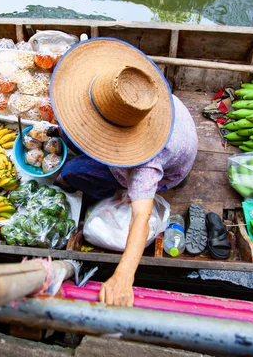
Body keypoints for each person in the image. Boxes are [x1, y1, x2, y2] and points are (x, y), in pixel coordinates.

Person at [49, 38, 198, 307]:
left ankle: (91, 184)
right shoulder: (127, 90)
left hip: (169, 167)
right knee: (67, 135)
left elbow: (141, 216)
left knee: (72, 172)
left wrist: (124, 275)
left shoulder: (145, 163)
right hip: (171, 129)